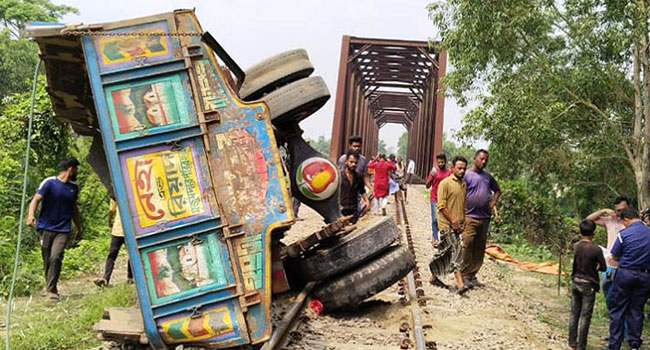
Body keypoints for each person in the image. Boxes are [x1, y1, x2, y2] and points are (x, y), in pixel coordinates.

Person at [26, 156, 82, 300]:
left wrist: (78, 227)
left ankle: (51, 290)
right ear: (70, 168)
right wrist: (30, 215)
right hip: (45, 227)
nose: (76, 172)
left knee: (56, 256)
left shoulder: (73, 188)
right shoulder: (49, 183)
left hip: (63, 229)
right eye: (76, 169)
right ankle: (51, 287)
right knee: (47, 259)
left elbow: (74, 209)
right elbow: (35, 200)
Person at [606, 207, 650, 350]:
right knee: (637, 309)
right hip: (645, 276)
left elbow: (615, 256)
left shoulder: (624, 234)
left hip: (625, 274)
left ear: (626, 219)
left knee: (618, 309)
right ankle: (634, 344)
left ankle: (614, 344)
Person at [428, 156, 469, 295]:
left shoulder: (463, 184)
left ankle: (433, 277)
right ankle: (460, 284)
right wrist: (453, 221)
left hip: (458, 225)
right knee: (456, 250)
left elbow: (462, 205)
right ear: (452, 168)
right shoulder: (445, 183)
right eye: (459, 168)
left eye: (464, 168)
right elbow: (441, 206)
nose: (462, 171)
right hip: (446, 224)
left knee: (446, 252)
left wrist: (463, 221)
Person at [461, 149, 500, 288]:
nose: (484, 162)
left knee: (479, 248)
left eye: (486, 160)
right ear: (474, 159)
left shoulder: (488, 177)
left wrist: (493, 202)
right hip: (470, 216)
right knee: (467, 245)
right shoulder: (466, 175)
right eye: (481, 159)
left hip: (484, 218)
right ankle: (464, 274)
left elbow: (497, 190)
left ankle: (472, 275)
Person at [568, 220, 606, 350]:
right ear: (593, 233)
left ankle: (571, 343)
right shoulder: (596, 249)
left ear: (580, 232)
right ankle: (581, 345)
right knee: (585, 316)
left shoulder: (576, 246)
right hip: (588, 284)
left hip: (576, 280)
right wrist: (596, 266)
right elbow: (603, 267)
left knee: (574, 313)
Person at [586, 196, 629, 301]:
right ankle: (612, 315)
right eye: (618, 210)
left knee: (624, 295)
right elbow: (588, 219)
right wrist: (604, 210)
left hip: (625, 265)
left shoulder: (633, 222)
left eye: (623, 209)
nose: (620, 212)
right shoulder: (610, 221)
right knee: (608, 294)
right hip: (609, 265)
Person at [94, 200, 133, 287]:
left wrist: (109, 221)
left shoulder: (115, 195)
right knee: (131, 254)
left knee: (112, 255)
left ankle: (106, 278)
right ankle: (130, 278)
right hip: (130, 230)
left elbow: (111, 211)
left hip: (118, 230)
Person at [425, 154, 452, 243]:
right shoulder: (434, 172)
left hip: (445, 199)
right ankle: (435, 237)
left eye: (442, 162)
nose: (440, 164)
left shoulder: (449, 173)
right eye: (439, 162)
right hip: (435, 198)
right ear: (437, 162)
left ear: (445, 161)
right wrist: (432, 177)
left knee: (444, 219)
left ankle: (444, 237)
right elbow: (427, 185)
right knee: (435, 219)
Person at [339, 151, 370, 224]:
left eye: (356, 163)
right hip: (341, 209)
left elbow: (362, 191)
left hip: (353, 209)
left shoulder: (358, 177)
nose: (353, 164)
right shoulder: (339, 176)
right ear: (346, 162)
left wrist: (367, 201)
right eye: (351, 162)